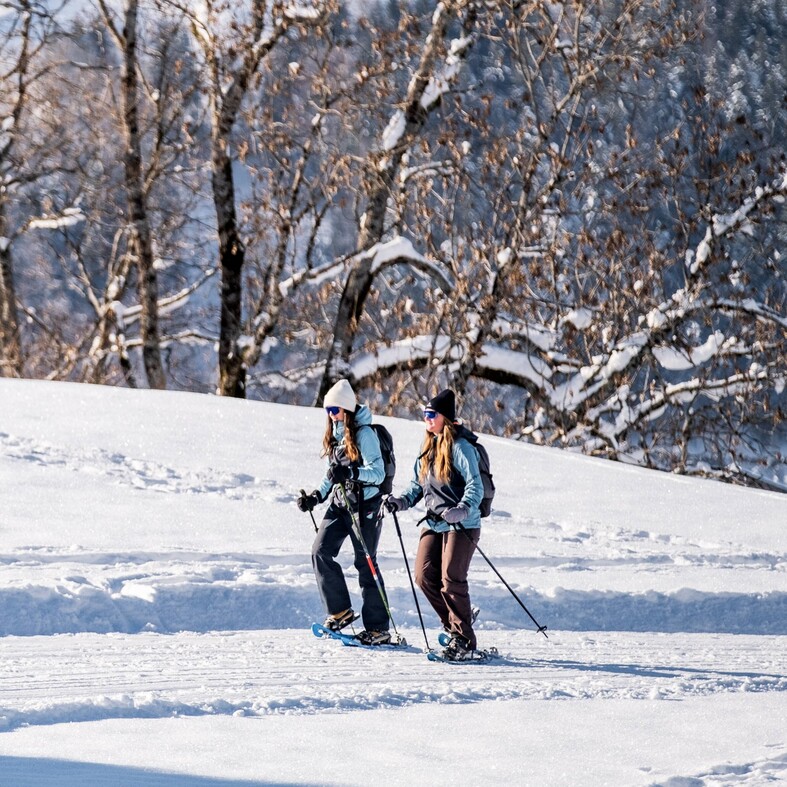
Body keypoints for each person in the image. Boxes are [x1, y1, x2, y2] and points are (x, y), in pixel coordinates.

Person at [385, 389, 484, 661]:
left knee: (451, 578)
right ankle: (454, 623)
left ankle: (464, 639)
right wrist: (401, 502)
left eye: (432, 415)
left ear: (445, 418)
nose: (427, 419)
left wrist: (462, 509)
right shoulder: (427, 446)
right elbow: (418, 485)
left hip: (462, 524)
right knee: (424, 576)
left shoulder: (461, 447)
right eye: (425, 415)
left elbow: (476, 484)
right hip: (434, 522)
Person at [297, 379, 391, 646]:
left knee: (366, 563)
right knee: (320, 551)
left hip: (364, 507)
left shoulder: (365, 434)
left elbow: (378, 472)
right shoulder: (337, 434)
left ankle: (378, 628)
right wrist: (315, 497)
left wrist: (351, 472)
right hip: (340, 503)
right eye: (328, 410)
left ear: (347, 409)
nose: (331, 415)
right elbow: (332, 476)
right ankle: (340, 611)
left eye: (335, 410)